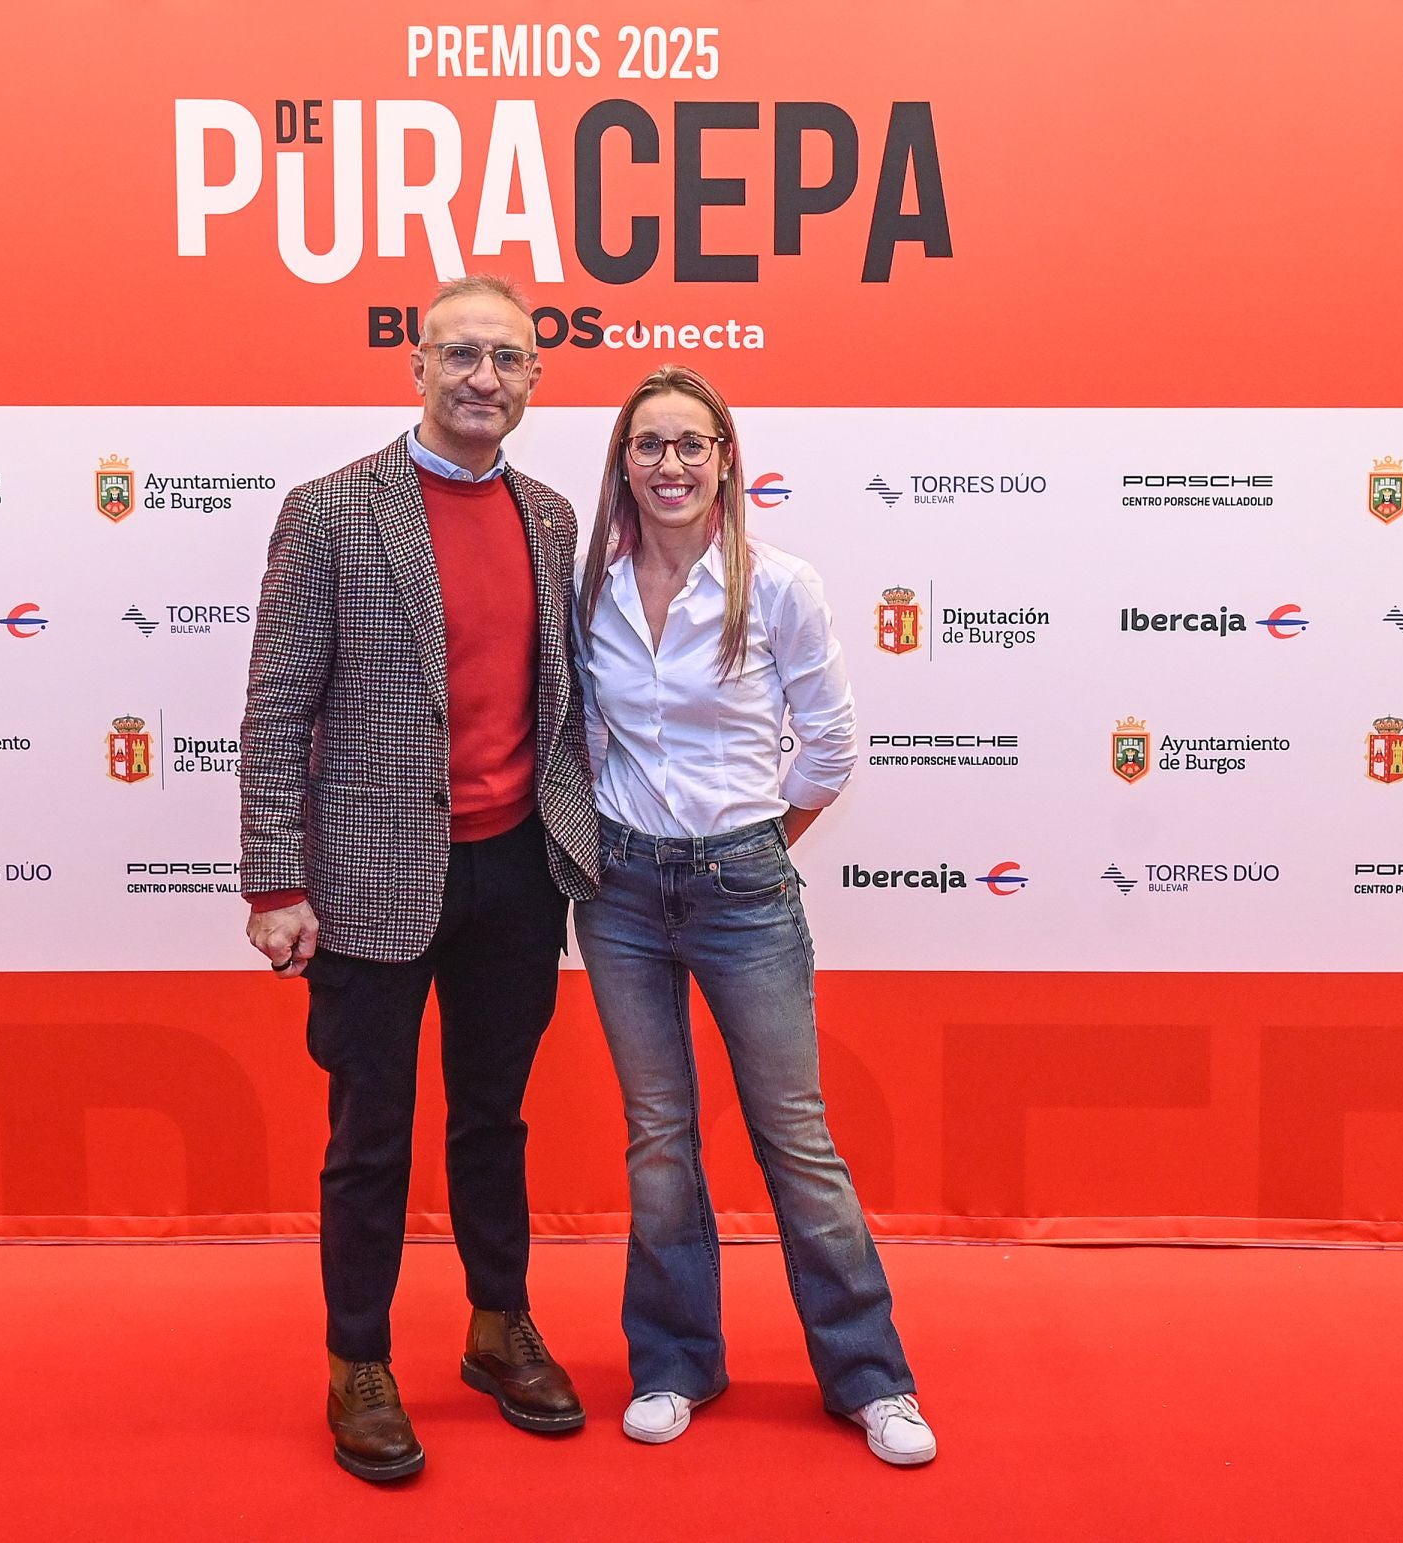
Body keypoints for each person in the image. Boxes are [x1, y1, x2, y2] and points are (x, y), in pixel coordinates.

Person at [239, 274, 599, 1483]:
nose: (482, 378)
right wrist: (272, 882)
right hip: (369, 882)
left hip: (514, 873)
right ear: (417, 365)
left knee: (494, 1120)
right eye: (461, 355)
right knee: (370, 1136)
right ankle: (358, 1359)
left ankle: (500, 1328)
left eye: (506, 359)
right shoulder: (333, 511)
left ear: (535, 382)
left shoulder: (551, 517)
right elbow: (275, 708)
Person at [572, 365, 936, 1466]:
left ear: (727, 458)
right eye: (649, 446)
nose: (670, 464)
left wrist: (759, 852)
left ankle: (871, 1378)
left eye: (691, 443)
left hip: (743, 888)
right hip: (621, 893)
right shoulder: (584, 585)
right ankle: (677, 1360)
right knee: (660, 1140)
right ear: (622, 464)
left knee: (798, 1140)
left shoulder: (780, 585)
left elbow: (830, 748)